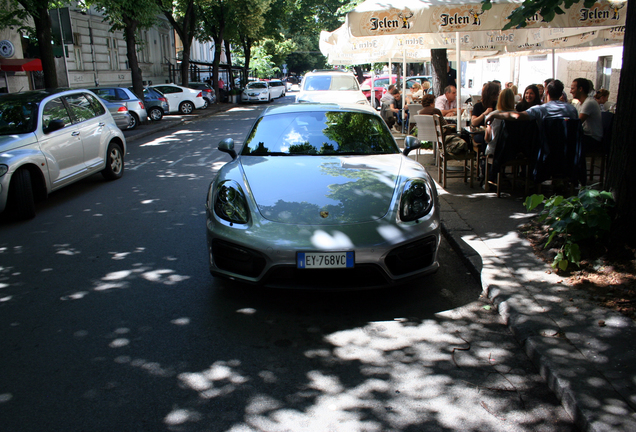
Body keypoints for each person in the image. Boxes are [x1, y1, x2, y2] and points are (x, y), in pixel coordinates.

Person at [571, 77, 604, 153]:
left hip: (592, 139)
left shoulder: (589, 103)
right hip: (585, 135)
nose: (570, 91)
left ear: (580, 89)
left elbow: (577, 123)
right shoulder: (579, 103)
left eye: (572, 89)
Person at [484, 88, 516, 156]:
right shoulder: (517, 115)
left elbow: (488, 139)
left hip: (494, 150)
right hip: (512, 151)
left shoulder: (492, 116)